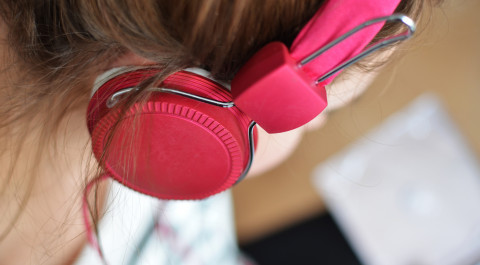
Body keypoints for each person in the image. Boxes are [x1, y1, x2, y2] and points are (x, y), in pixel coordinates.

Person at [0, 0, 441, 264]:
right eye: (308, 116)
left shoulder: (158, 162)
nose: (319, 125)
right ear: (176, 105)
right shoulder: (170, 158)